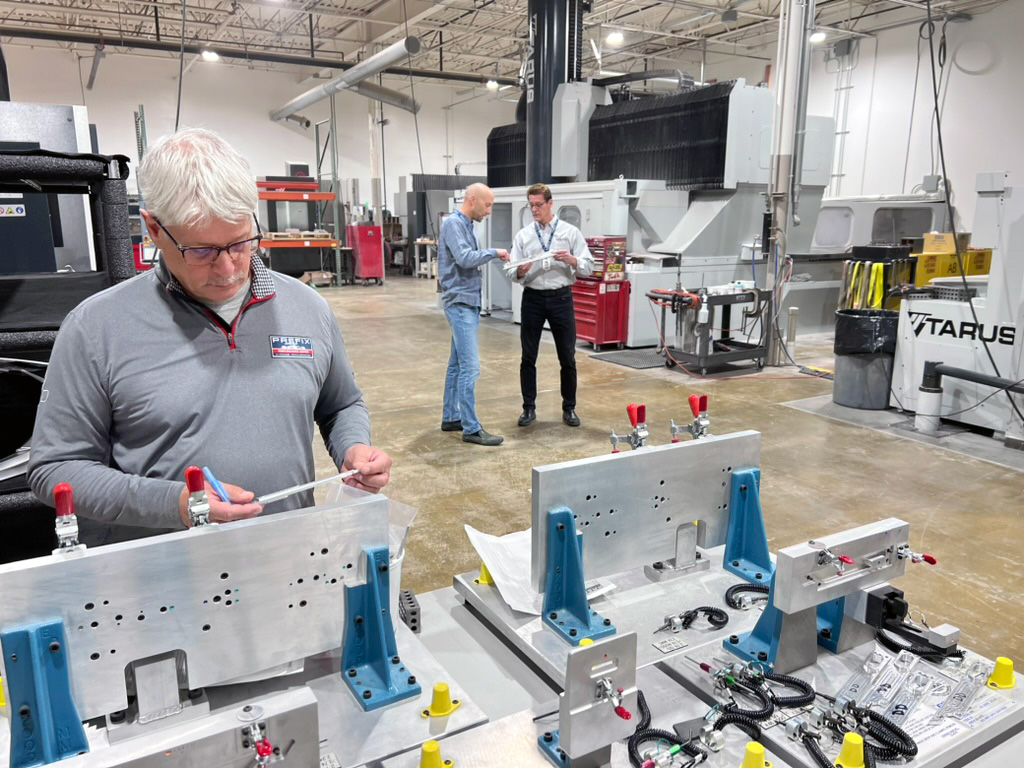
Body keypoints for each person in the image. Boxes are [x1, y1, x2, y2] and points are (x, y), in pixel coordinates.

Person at [27, 128, 391, 545]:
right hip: (161, 580)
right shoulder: (96, 328)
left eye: (241, 243)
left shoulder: (307, 308)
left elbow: (341, 404)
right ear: (154, 229)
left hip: (287, 555)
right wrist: (176, 503)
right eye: (201, 251)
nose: (229, 269)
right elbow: (55, 468)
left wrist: (353, 448)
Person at [505, 183, 593, 428]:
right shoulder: (523, 235)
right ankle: (528, 408)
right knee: (528, 356)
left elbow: (588, 265)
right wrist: (520, 272)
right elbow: (512, 272)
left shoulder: (570, 232)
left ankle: (569, 408)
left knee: (567, 356)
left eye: (539, 205)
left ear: (550, 203)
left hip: (561, 299)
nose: (534, 210)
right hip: (532, 299)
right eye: (531, 205)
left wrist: (572, 259)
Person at [438, 183, 510, 446]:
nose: (489, 211)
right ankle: (470, 428)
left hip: (467, 302)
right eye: (487, 205)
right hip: (460, 303)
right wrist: (494, 252)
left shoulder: (466, 225)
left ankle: (450, 417)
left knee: (457, 364)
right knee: (471, 367)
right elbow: (465, 258)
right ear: (472, 200)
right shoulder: (454, 224)